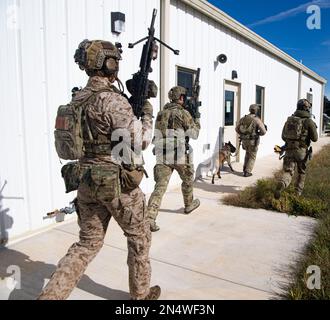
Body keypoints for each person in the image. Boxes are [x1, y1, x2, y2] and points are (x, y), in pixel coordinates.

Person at [38, 40, 160, 300]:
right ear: (110, 63)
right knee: (139, 237)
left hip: (86, 180)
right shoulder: (112, 101)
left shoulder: (77, 99)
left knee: (87, 243)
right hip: (117, 182)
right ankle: (141, 296)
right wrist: (147, 112)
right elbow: (141, 141)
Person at [147, 86, 201, 232]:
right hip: (180, 154)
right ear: (181, 98)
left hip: (162, 153)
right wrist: (197, 118)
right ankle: (188, 204)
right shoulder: (184, 114)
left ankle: (150, 218)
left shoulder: (160, 113)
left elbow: (158, 133)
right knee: (188, 180)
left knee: (159, 187)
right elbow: (194, 134)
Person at [274, 99, 318, 199]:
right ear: (307, 108)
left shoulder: (289, 120)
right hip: (302, 151)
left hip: (289, 149)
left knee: (288, 171)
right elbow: (315, 139)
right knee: (301, 172)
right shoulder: (308, 121)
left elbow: (283, 136)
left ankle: (282, 183)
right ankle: (297, 194)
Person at [236, 104, 267, 177]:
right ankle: (247, 171)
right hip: (253, 141)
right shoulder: (256, 119)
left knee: (247, 154)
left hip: (244, 141)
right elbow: (264, 131)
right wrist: (258, 133)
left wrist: (243, 135)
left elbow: (237, 129)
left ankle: (244, 169)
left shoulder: (243, 118)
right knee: (252, 156)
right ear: (256, 110)